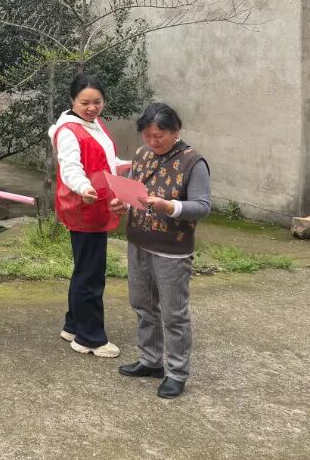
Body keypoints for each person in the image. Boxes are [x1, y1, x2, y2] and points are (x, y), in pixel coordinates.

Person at [110, 102, 211, 399]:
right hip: (139, 241)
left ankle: (177, 372)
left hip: (171, 249)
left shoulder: (193, 162)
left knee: (173, 313)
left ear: (175, 131)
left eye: (160, 136)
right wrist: (122, 202)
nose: (154, 142)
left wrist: (170, 207)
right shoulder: (142, 155)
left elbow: (203, 206)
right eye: (148, 135)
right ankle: (150, 359)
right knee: (142, 304)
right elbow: (134, 189)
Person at [49, 74, 130, 359]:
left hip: (95, 205)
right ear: (72, 100)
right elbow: (70, 166)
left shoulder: (94, 124)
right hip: (85, 207)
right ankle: (90, 338)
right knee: (91, 275)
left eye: (97, 102)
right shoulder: (69, 130)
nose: (92, 107)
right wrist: (83, 187)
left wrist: (134, 164)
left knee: (85, 270)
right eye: (85, 102)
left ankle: (73, 326)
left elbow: (108, 162)